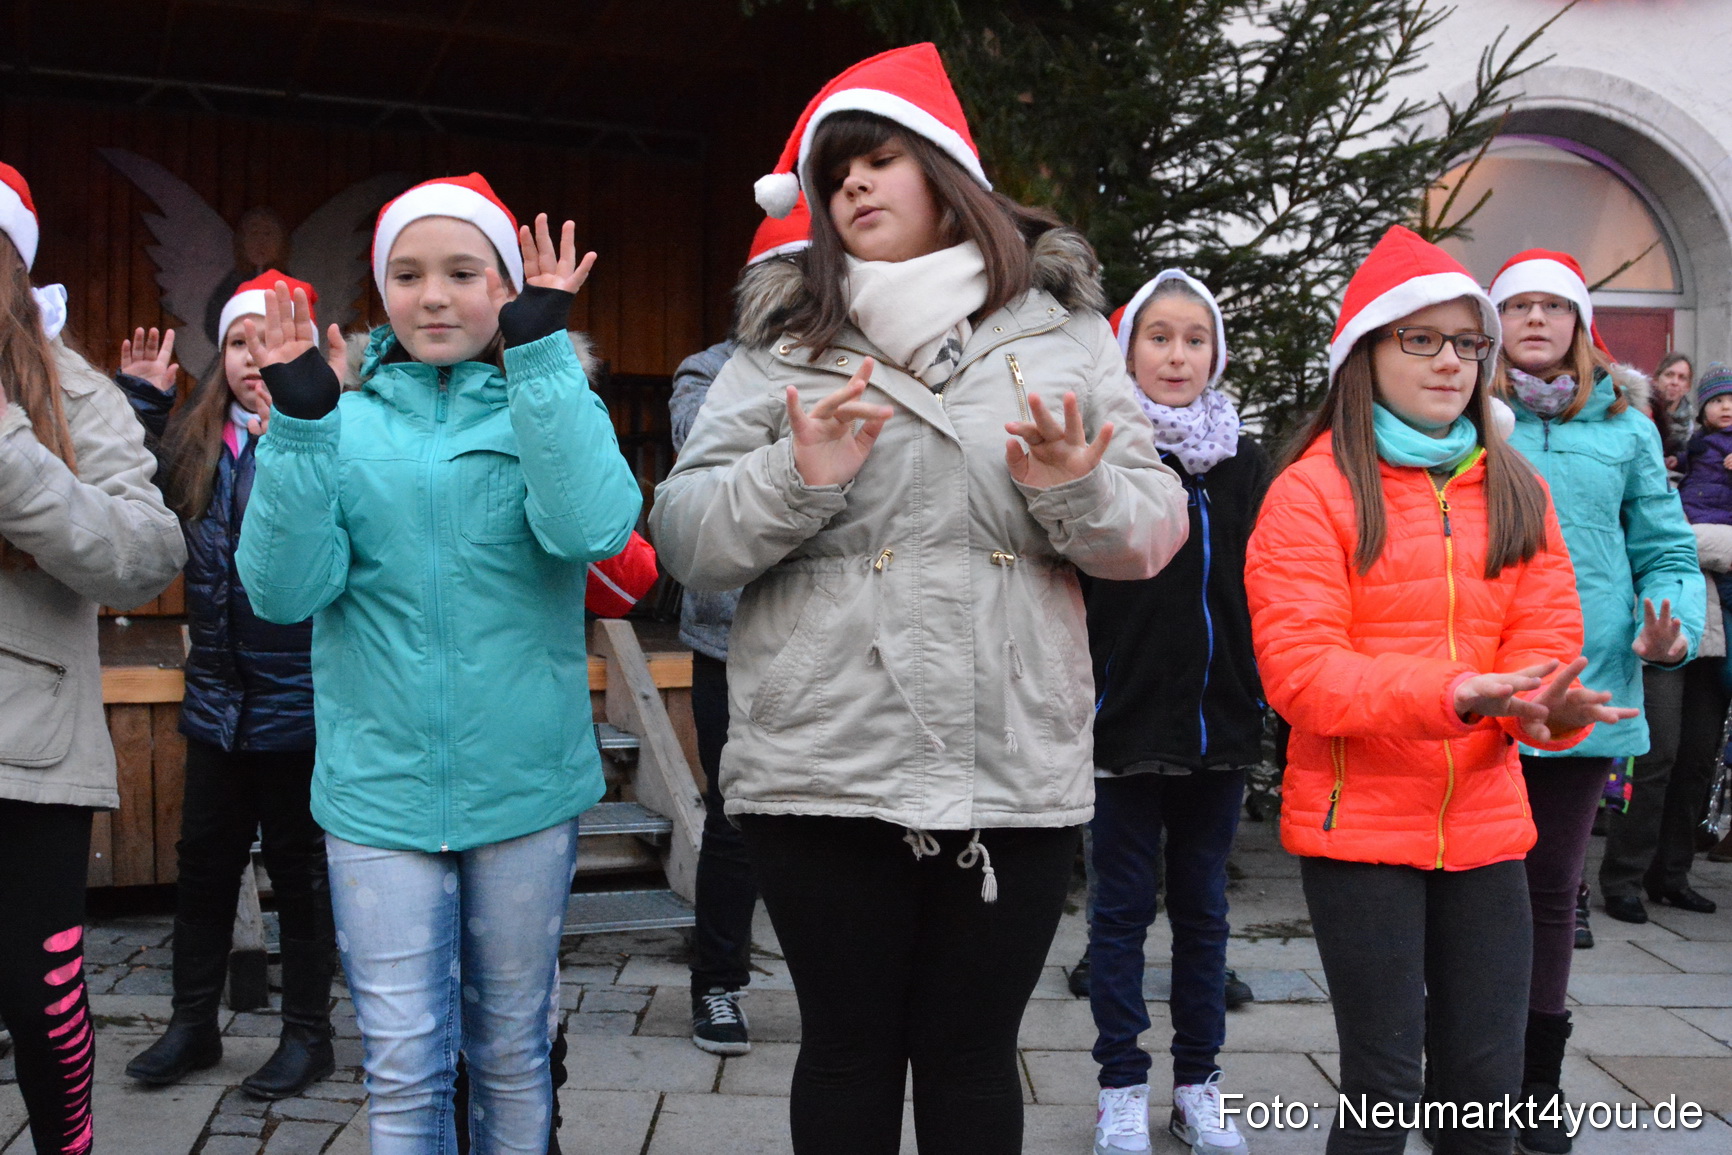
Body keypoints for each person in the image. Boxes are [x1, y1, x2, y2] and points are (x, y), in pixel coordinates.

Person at [650, 44, 1188, 1155]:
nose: (848, 185)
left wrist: (1071, 484)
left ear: (948, 173)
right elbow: (687, 541)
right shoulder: (781, 345)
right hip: (821, 762)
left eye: (875, 160)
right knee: (844, 1049)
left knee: (970, 1055)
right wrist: (799, 475)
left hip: (1007, 758)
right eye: (831, 171)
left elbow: (1150, 534)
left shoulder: (1065, 335)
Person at [235, 173, 642, 1151]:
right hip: (378, 793)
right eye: (408, 275)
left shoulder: (541, 401)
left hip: (524, 787)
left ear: (506, 287)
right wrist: (299, 428)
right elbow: (282, 593)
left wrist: (541, 359)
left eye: (464, 272)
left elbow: (594, 524)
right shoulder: (340, 422)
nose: (432, 297)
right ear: (382, 295)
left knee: (510, 1053)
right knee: (403, 1065)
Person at [1248, 225, 1628, 1155]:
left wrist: (1543, 701)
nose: (1451, 361)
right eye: (1420, 339)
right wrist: (1462, 691)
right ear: (1365, 354)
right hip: (1361, 825)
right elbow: (1303, 674)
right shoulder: (1312, 492)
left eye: (1467, 342)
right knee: (1383, 1089)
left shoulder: (1515, 486)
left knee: (1485, 1096)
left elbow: (1547, 636)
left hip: (1488, 825)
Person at [1489, 247, 1704, 1155]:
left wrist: (1672, 629)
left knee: (1547, 891)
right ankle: (1460, 1064)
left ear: (1580, 325)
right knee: (1459, 886)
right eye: (1518, 305)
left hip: (1585, 689)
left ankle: (1536, 1079)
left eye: (1554, 306)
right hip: (1480, 688)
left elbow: (1668, 552)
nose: (1536, 320)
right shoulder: (1461, 413)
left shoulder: (1627, 424)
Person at [0, 160, 186, 1155]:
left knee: (39, 998)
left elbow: (147, 554)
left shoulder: (73, 389)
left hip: (26, 742)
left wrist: (9, 459)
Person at [116, 274, 339, 1101]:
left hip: (303, 705)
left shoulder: (328, 430)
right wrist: (141, 407)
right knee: (202, 867)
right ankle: (191, 1025)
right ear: (222, 357)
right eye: (239, 342)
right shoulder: (198, 440)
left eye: (271, 341)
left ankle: (307, 1034)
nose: (254, 358)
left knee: (302, 875)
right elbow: (127, 491)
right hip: (216, 702)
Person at [1085, 270, 1265, 1155]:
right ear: (1129, 348)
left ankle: (1200, 1082)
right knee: (1118, 913)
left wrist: (1257, 688)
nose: (1177, 354)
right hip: (1122, 724)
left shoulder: (1246, 460)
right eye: (1159, 336)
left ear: (1215, 353)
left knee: (1203, 912)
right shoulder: (1104, 448)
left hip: (1218, 726)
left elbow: (1265, 587)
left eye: (1195, 338)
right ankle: (1121, 1083)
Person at [670, 198, 813, 1057]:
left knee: (833, 824)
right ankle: (717, 984)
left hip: (829, 634)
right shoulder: (708, 371)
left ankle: (837, 986)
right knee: (737, 820)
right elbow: (709, 467)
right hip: (731, 640)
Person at [1597, 363, 1732, 924]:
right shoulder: (1680, 461)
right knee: (1657, 755)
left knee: (1699, 758)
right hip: (1666, 622)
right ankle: (1623, 877)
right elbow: (1669, 538)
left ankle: (1672, 875)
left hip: (1718, 635)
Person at [1652, 351, 1694, 469]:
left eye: (1682, 378)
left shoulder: (1694, 423)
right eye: (1669, 375)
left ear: (1688, 386)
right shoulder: (1644, 413)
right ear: (1656, 379)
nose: (1674, 382)